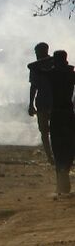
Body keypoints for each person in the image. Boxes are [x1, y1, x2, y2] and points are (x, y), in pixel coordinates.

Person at [49, 50, 75, 194]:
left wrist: (48, 60)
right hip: (68, 112)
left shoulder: (52, 74)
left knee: (58, 147)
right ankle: (64, 176)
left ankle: (61, 181)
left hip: (56, 113)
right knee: (69, 146)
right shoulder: (71, 74)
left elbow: (32, 66)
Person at [28, 42, 54, 164]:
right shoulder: (51, 63)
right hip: (46, 101)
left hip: (49, 101)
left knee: (48, 131)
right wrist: (30, 103)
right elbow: (33, 86)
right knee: (46, 131)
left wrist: (31, 104)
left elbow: (33, 86)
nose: (36, 54)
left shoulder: (48, 64)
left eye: (37, 52)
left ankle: (52, 156)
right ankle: (51, 156)